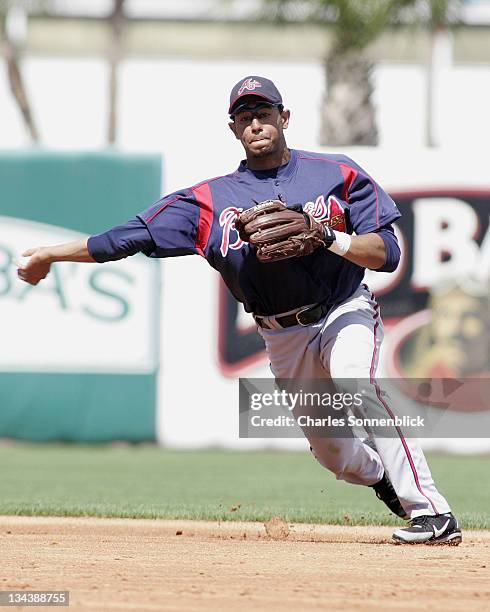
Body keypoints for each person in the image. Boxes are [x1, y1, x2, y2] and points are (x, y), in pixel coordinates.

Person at [18, 75, 461, 545]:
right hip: (282, 336)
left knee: (360, 379)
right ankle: (383, 478)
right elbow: (125, 238)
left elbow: (387, 253)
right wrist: (51, 253)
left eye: (264, 112)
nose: (256, 123)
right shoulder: (208, 201)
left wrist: (327, 235)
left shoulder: (337, 173)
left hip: (342, 309)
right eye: (245, 116)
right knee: (335, 455)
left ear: (284, 118)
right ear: (233, 129)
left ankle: (433, 513)